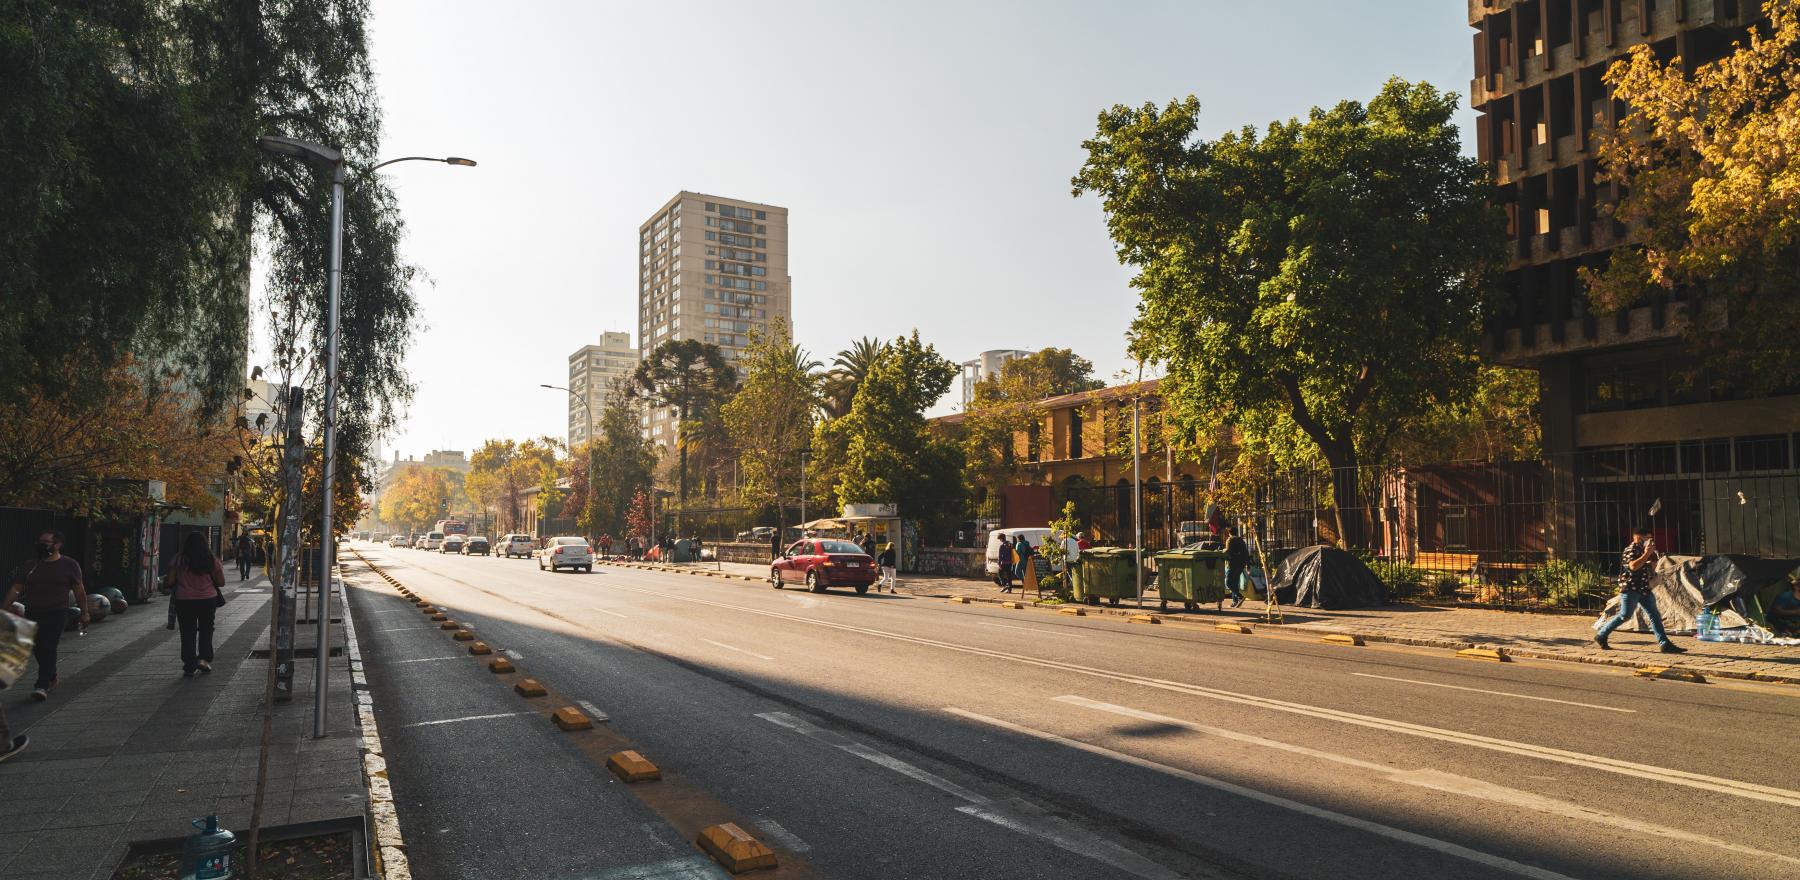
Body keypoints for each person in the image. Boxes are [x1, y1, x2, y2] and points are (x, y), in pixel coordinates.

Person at [3, 531, 90, 701]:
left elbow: (79, 590)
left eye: (46, 542)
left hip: (57, 612)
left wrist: (85, 612)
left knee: (48, 645)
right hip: (33, 611)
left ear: (57, 545)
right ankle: (51, 675)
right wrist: (4, 608)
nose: (41, 545)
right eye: (40, 541)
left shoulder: (69, 565)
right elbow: (17, 588)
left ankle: (41, 685)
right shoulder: (31, 565)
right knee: (38, 647)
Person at [1594, 525, 1685, 654]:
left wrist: (1651, 564)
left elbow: (1642, 567)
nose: (1650, 542)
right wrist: (1647, 554)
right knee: (1624, 616)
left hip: (1643, 588)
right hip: (1631, 588)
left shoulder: (1642, 551)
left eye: (1651, 539)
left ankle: (1664, 644)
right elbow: (1633, 566)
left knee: (1655, 615)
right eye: (1647, 539)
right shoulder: (1631, 550)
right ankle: (1601, 635)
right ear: (1638, 537)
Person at [165, 532, 227, 677]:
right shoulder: (211, 559)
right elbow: (221, 582)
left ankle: (189, 664)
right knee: (206, 629)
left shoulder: (179, 559)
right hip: (207, 599)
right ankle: (204, 660)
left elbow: (169, 581)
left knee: (187, 632)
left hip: (184, 600)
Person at [1223, 525, 1250, 608]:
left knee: (1228, 582)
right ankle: (1235, 601)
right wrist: (1247, 564)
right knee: (1235, 582)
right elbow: (1245, 552)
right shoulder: (1241, 541)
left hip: (1232, 564)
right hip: (1240, 564)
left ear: (1229, 533)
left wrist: (1222, 551)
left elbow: (1227, 551)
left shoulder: (1230, 540)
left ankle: (1239, 596)